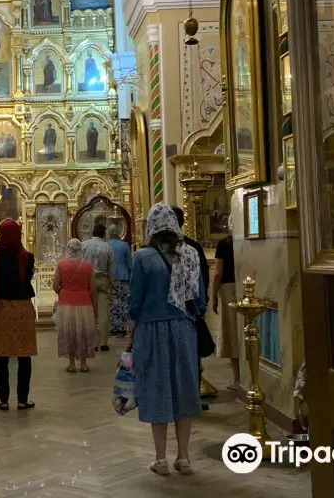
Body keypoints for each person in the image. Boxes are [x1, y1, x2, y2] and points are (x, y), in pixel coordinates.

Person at [128, 204, 205, 476]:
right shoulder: (191, 255)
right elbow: (199, 299)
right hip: (183, 330)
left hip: (151, 330)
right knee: (184, 388)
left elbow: (135, 299)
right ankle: (183, 457)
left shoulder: (142, 257)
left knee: (156, 388)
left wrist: (129, 331)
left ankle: (160, 459)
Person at [0, 219, 37, 411]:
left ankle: (4, 400)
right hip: (23, 307)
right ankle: (23, 400)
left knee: (2, 355)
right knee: (24, 355)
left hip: (2, 307)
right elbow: (27, 278)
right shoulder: (27, 256)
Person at [172, 206, 210, 411]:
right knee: (191, 356)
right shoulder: (193, 247)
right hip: (191, 311)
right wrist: (202, 306)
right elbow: (202, 279)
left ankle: (176, 396)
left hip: (169, 314)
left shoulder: (155, 251)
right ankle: (193, 396)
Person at [53, 239, 97, 372]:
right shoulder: (88, 266)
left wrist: (64, 293)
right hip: (84, 303)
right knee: (84, 332)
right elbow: (93, 288)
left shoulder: (61, 265)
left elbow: (55, 286)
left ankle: (71, 364)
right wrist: (94, 306)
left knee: (69, 332)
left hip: (66, 304)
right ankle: (83, 364)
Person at [212, 215, 240, 390]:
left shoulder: (224, 244)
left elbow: (217, 273)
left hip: (229, 289)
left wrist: (213, 296)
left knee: (231, 331)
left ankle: (237, 377)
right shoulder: (245, 242)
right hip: (245, 286)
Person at [81, 223, 115, 351]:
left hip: (87, 279)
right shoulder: (107, 247)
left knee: (90, 311)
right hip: (103, 279)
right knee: (103, 311)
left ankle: (93, 342)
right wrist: (112, 282)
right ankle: (104, 343)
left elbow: (80, 263)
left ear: (92, 233)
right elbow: (111, 268)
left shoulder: (84, 245)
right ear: (104, 234)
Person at [106, 225, 131, 337]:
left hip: (111, 277)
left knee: (113, 303)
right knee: (123, 302)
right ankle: (123, 327)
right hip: (124, 276)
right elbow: (129, 263)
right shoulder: (124, 245)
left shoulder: (106, 245)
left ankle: (113, 327)